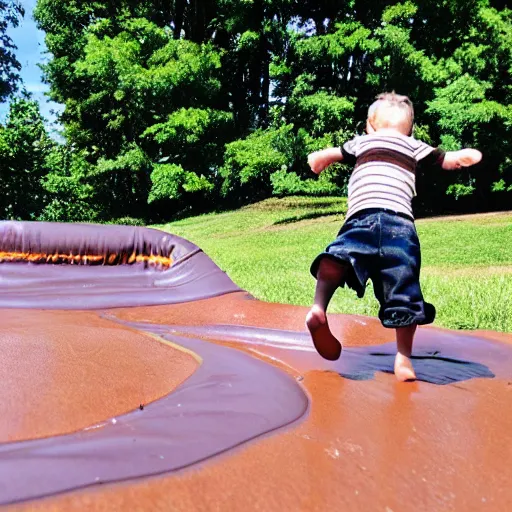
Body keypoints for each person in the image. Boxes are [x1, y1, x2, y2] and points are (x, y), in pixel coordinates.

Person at [305, 92, 482, 381]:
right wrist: (462, 158)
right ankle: (404, 358)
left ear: (369, 125)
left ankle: (318, 307)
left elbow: (331, 155)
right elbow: (446, 160)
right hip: (399, 226)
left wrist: (318, 159)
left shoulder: (362, 142)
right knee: (404, 286)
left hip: (360, 221)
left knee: (336, 258)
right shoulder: (413, 145)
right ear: (410, 129)